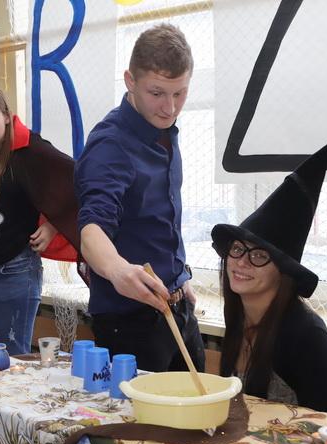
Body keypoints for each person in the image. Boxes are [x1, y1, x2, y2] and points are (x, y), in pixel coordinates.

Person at [75, 24, 205, 373]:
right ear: (130, 81)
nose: (170, 107)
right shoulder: (110, 145)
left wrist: (178, 278)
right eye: (157, 93)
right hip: (129, 320)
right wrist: (118, 270)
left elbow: (156, 219)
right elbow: (91, 229)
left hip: (177, 307)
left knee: (201, 405)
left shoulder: (164, 130)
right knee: (141, 412)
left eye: (180, 93)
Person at [211, 143, 327, 414]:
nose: (242, 262)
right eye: (237, 249)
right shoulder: (237, 315)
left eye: (259, 255)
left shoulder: (307, 336)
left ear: (283, 271)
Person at [0, 84, 79, 364]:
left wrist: (52, 225)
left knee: (12, 362)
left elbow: (80, 181)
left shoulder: (32, 150)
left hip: (14, 270)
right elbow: (9, 197)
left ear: (6, 115)